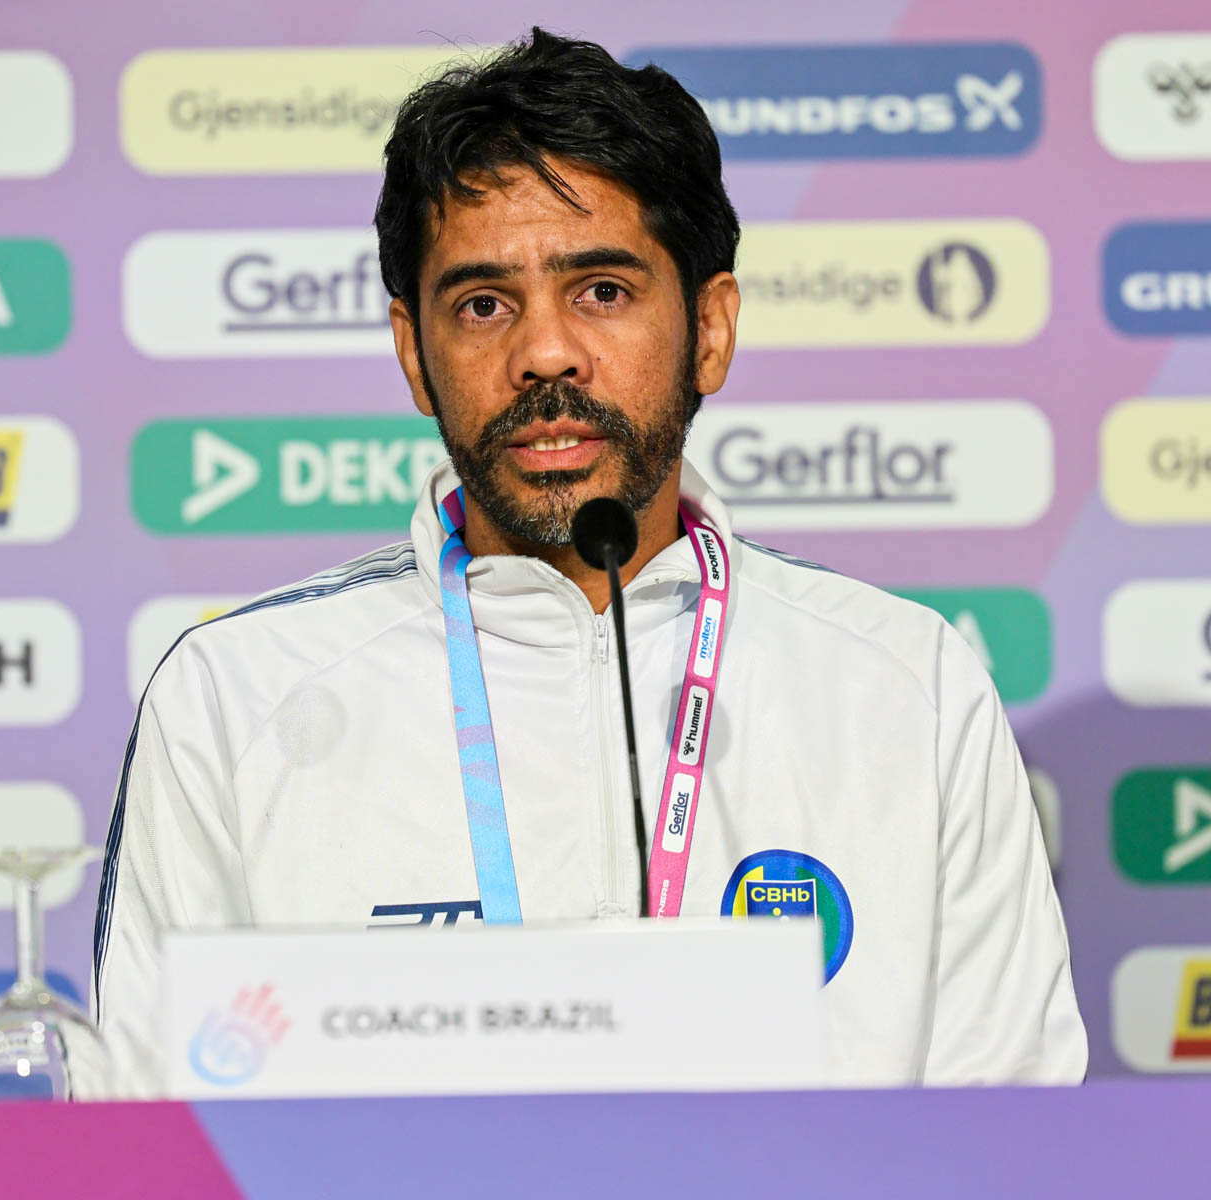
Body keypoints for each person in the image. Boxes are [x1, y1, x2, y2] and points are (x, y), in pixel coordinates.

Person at [90, 28, 1085, 1096]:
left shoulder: (906, 685)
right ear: (413, 353)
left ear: (709, 328)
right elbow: (144, 1132)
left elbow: (1008, 1134)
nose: (544, 354)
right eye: (482, 304)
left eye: (602, 290)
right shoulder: (232, 698)